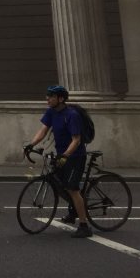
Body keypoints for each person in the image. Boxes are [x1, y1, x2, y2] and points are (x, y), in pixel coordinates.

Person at [24, 85, 91, 238]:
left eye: (51, 96)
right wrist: (31, 145)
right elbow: (43, 131)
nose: (47, 98)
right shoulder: (51, 112)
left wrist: (66, 155)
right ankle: (73, 209)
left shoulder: (72, 115)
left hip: (75, 156)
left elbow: (76, 140)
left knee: (73, 188)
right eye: (47, 95)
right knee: (58, 183)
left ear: (60, 99)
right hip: (61, 155)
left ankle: (84, 225)